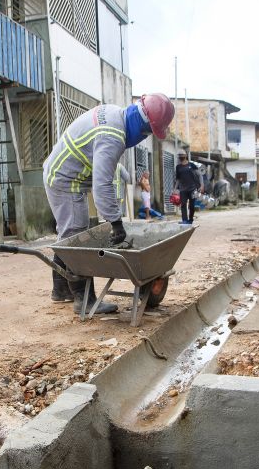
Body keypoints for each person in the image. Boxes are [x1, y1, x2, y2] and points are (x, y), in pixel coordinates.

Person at [44, 93, 175, 314]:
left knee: (68, 233)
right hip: (65, 180)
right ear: (142, 126)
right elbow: (102, 184)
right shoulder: (113, 137)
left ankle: (61, 290)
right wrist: (115, 222)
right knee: (76, 234)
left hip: (61, 172)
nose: (144, 138)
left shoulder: (116, 113)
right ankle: (84, 301)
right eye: (147, 133)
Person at [174, 151, 203, 225]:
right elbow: (178, 179)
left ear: (186, 155)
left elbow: (199, 175)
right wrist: (175, 189)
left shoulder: (192, 165)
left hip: (192, 189)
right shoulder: (178, 167)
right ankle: (184, 220)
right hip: (183, 189)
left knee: (191, 206)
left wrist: (202, 185)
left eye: (182, 155)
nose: (180, 156)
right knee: (183, 205)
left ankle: (190, 219)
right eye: (179, 155)